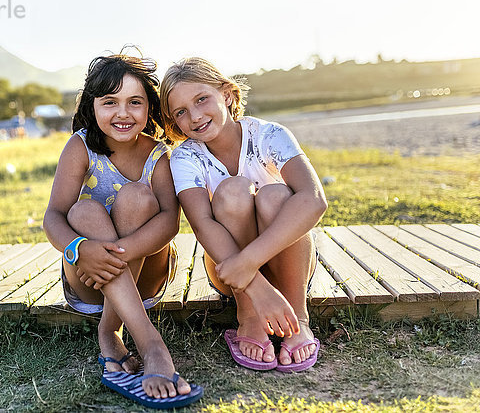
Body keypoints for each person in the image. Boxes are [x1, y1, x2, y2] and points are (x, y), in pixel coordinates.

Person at [43, 53, 202, 408]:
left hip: (147, 275)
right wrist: (78, 249)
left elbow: (168, 222)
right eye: (109, 102)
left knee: (136, 198)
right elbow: (52, 216)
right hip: (90, 279)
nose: (122, 113)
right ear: (92, 106)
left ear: (150, 108)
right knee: (82, 212)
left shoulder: (158, 155)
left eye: (135, 102)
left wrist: (124, 251)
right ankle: (145, 341)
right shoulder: (80, 146)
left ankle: (117, 334)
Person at [160, 57, 328, 373]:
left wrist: (249, 263)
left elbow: (314, 199)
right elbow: (202, 224)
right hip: (229, 271)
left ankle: (298, 316)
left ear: (226, 94)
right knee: (233, 191)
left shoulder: (269, 135)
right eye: (180, 112)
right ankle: (248, 317)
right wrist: (254, 285)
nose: (194, 116)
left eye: (201, 99)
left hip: (287, 264)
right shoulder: (184, 157)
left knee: (276, 194)